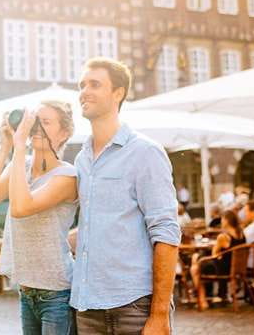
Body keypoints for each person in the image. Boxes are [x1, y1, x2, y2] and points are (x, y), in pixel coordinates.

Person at [70, 57, 180, 335]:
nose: (85, 91)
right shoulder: (82, 158)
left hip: (133, 307)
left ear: (118, 93)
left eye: (95, 84)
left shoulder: (145, 152)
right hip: (87, 306)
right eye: (82, 85)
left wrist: (159, 315)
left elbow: (166, 233)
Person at [0, 101, 79, 335]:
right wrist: (5, 148)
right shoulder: (22, 166)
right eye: (35, 120)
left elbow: (21, 207)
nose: (37, 127)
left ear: (64, 134)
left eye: (46, 122)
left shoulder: (67, 176)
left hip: (57, 292)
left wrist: (19, 146)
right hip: (26, 289)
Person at [194, 209, 246, 309]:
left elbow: (214, 254)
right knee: (198, 260)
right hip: (235, 267)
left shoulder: (223, 236)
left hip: (223, 270)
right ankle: (210, 296)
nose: (221, 221)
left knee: (197, 266)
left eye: (222, 219)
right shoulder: (241, 234)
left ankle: (202, 298)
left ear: (226, 220)